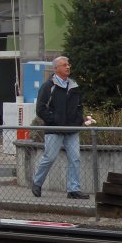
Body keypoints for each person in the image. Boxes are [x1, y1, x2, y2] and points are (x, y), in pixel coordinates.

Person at [32, 55, 92, 199]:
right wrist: (54, 121)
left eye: (68, 64)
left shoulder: (74, 85)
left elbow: (79, 106)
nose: (68, 67)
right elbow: (40, 109)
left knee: (75, 158)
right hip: (54, 130)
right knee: (49, 157)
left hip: (72, 130)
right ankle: (37, 183)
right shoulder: (48, 86)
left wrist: (78, 121)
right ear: (56, 68)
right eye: (64, 65)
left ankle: (73, 190)